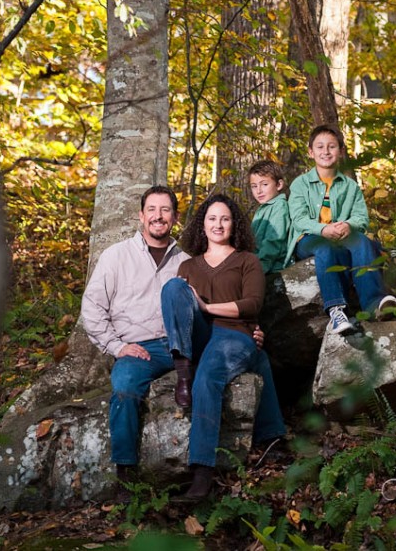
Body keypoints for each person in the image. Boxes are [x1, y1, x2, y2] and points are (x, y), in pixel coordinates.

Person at [80, 186, 267, 503]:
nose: (158, 216)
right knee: (124, 385)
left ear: (175, 217)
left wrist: (252, 330)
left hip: (184, 343)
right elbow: (91, 309)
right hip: (139, 348)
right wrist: (116, 346)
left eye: (165, 210)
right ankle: (125, 476)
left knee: (219, 364)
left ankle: (262, 436)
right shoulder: (116, 256)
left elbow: (216, 303)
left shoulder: (186, 260)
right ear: (141, 215)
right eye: (151, 209)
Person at [160, 194, 287, 502]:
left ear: (235, 225)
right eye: (212, 219)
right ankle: (182, 370)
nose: (218, 224)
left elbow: (252, 304)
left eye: (225, 219)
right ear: (202, 225)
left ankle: (202, 475)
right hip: (202, 337)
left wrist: (207, 306)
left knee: (209, 377)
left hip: (236, 335)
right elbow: (180, 309)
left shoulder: (247, 261)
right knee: (173, 287)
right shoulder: (188, 266)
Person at [286, 124, 396, 334]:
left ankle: (374, 304)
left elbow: (361, 218)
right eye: (319, 147)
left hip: (341, 235)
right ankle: (337, 310)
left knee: (362, 241)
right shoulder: (300, 184)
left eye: (331, 146)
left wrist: (348, 225)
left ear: (340, 151)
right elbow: (298, 219)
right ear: (311, 152)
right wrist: (322, 229)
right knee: (325, 248)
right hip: (310, 238)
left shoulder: (349, 186)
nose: (325, 151)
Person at [249, 159, 291, 274]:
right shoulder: (263, 208)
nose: (258, 191)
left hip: (271, 267)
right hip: (257, 264)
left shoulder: (279, 207)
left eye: (264, 184)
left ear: (279, 185)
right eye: (254, 186)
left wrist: (258, 269)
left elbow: (274, 241)